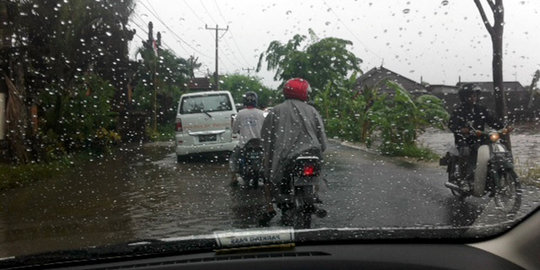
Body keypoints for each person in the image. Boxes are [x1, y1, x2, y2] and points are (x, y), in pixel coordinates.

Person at [260, 78, 328, 222]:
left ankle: (281, 204)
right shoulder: (312, 110)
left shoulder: (276, 111)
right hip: (311, 155)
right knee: (317, 174)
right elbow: (322, 139)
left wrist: (269, 155)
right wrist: (320, 148)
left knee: (276, 180)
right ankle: (314, 196)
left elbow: (266, 139)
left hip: (286, 159)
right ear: (304, 93)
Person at [448, 83, 503, 194]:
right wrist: (462, 130)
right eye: (471, 95)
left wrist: (503, 127)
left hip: (481, 138)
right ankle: (463, 179)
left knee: (494, 150)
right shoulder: (459, 110)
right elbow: (452, 124)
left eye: (475, 95)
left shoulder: (480, 108)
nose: (473, 98)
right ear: (464, 97)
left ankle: (489, 177)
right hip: (464, 139)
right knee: (466, 151)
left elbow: (491, 120)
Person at [229, 91, 266, 186]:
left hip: (244, 144)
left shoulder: (240, 114)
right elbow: (267, 129)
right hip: (260, 144)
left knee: (233, 158)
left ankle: (234, 176)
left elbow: (235, 129)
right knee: (267, 158)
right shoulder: (262, 114)